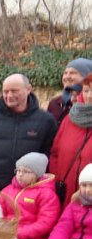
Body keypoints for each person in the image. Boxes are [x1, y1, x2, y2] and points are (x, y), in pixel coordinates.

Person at [0, 73, 57, 189]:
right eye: (5, 91)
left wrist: (34, 173)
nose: (9, 95)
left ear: (28, 89)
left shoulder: (46, 120)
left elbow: (51, 153)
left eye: (14, 91)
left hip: (29, 190)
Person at [49, 74, 92, 206]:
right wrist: (57, 179)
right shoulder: (69, 119)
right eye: (86, 90)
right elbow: (55, 153)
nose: (90, 96)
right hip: (65, 194)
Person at [47, 58, 92, 125]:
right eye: (65, 73)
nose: (67, 77)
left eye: (72, 73)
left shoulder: (88, 102)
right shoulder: (55, 103)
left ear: (86, 76)